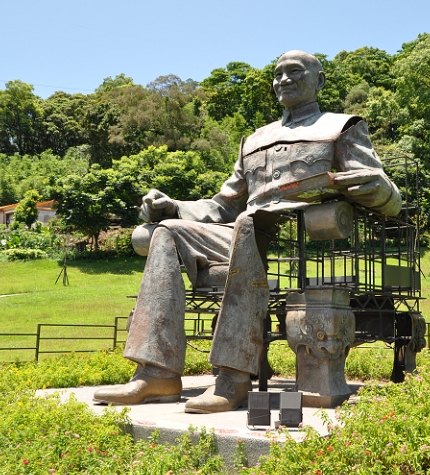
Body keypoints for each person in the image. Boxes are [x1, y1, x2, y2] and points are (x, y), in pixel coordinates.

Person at [93, 50, 402, 413]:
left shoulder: (341, 126)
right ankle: (156, 373)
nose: (284, 80)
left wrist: (373, 187)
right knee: (168, 231)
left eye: (295, 72)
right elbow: (223, 205)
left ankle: (233, 378)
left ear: (319, 81)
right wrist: (174, 206)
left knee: (246, 224)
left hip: (299, 239)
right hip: (245, 233)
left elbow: (388, 195)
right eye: (278, 74)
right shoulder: (255, 140)